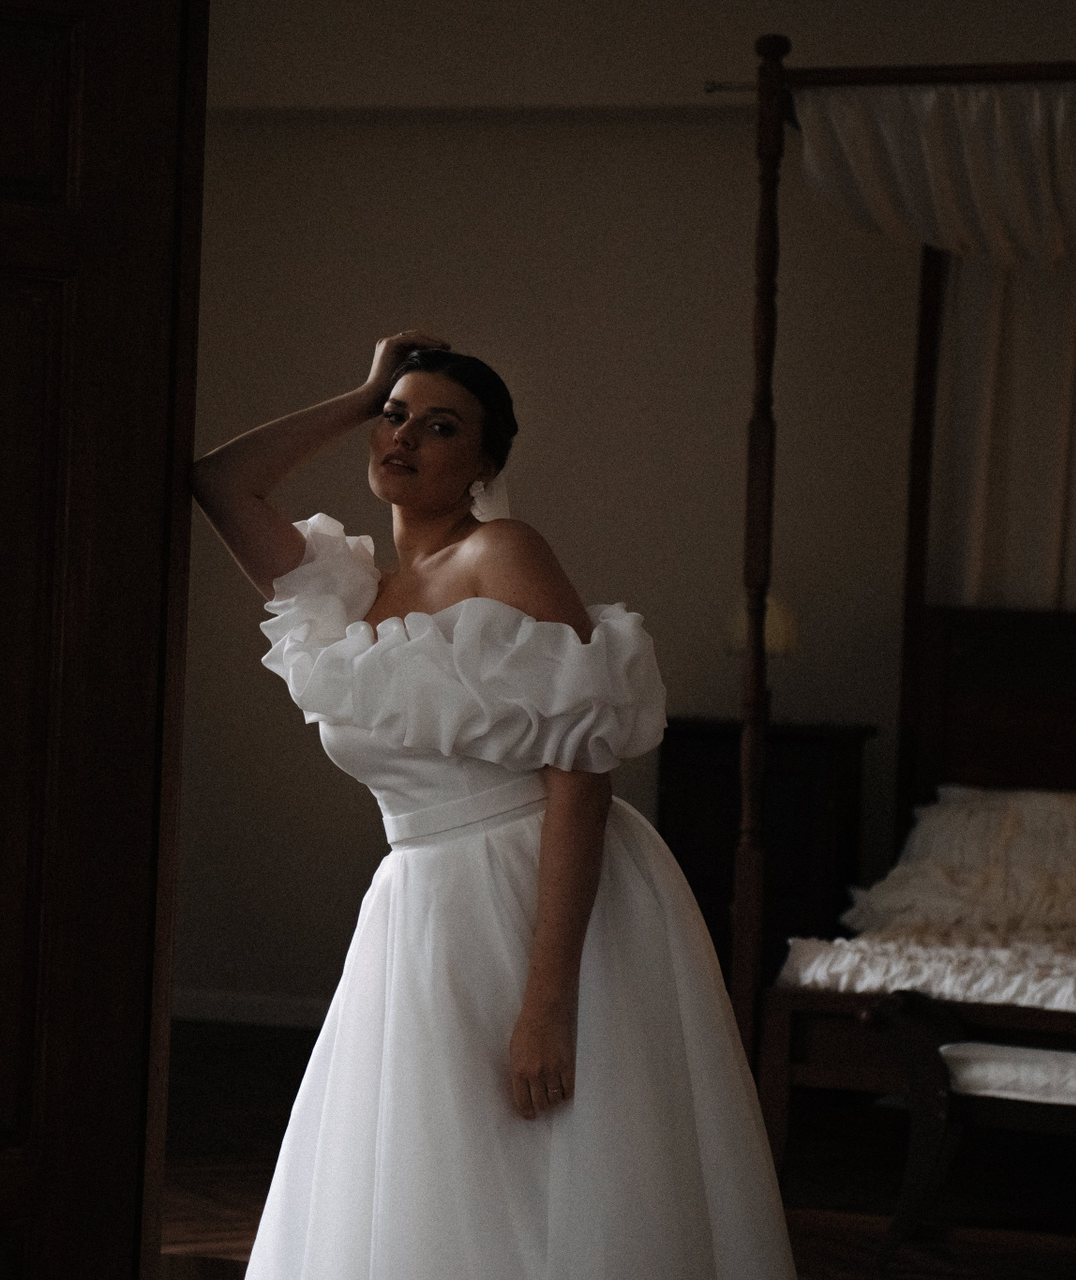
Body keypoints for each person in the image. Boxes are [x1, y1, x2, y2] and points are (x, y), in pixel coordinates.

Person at [192, 330, 794, 1279]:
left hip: (540, 891)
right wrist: (362, 392)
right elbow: (221, 482)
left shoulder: (501, 553)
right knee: (439, 1170)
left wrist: (548, 1003)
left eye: (440, 427)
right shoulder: (345, 594)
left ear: (484, 464)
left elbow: (581, 773)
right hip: (420, 906)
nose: (404, 437)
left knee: (550, 1164)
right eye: (396, 419)